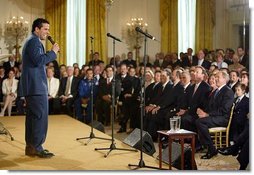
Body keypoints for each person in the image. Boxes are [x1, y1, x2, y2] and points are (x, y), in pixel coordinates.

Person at [20, 18, 60, 158]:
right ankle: (37, 147)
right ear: (36, 29)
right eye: (45, 29)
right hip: (36, 87)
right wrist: (53, 52)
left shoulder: (32, 41)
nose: (47, 32)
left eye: (48, 29)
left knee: (32, 118)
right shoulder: (34, 42)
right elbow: (39, 60)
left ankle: (31, 147)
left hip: (32, 87)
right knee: (40, 118)